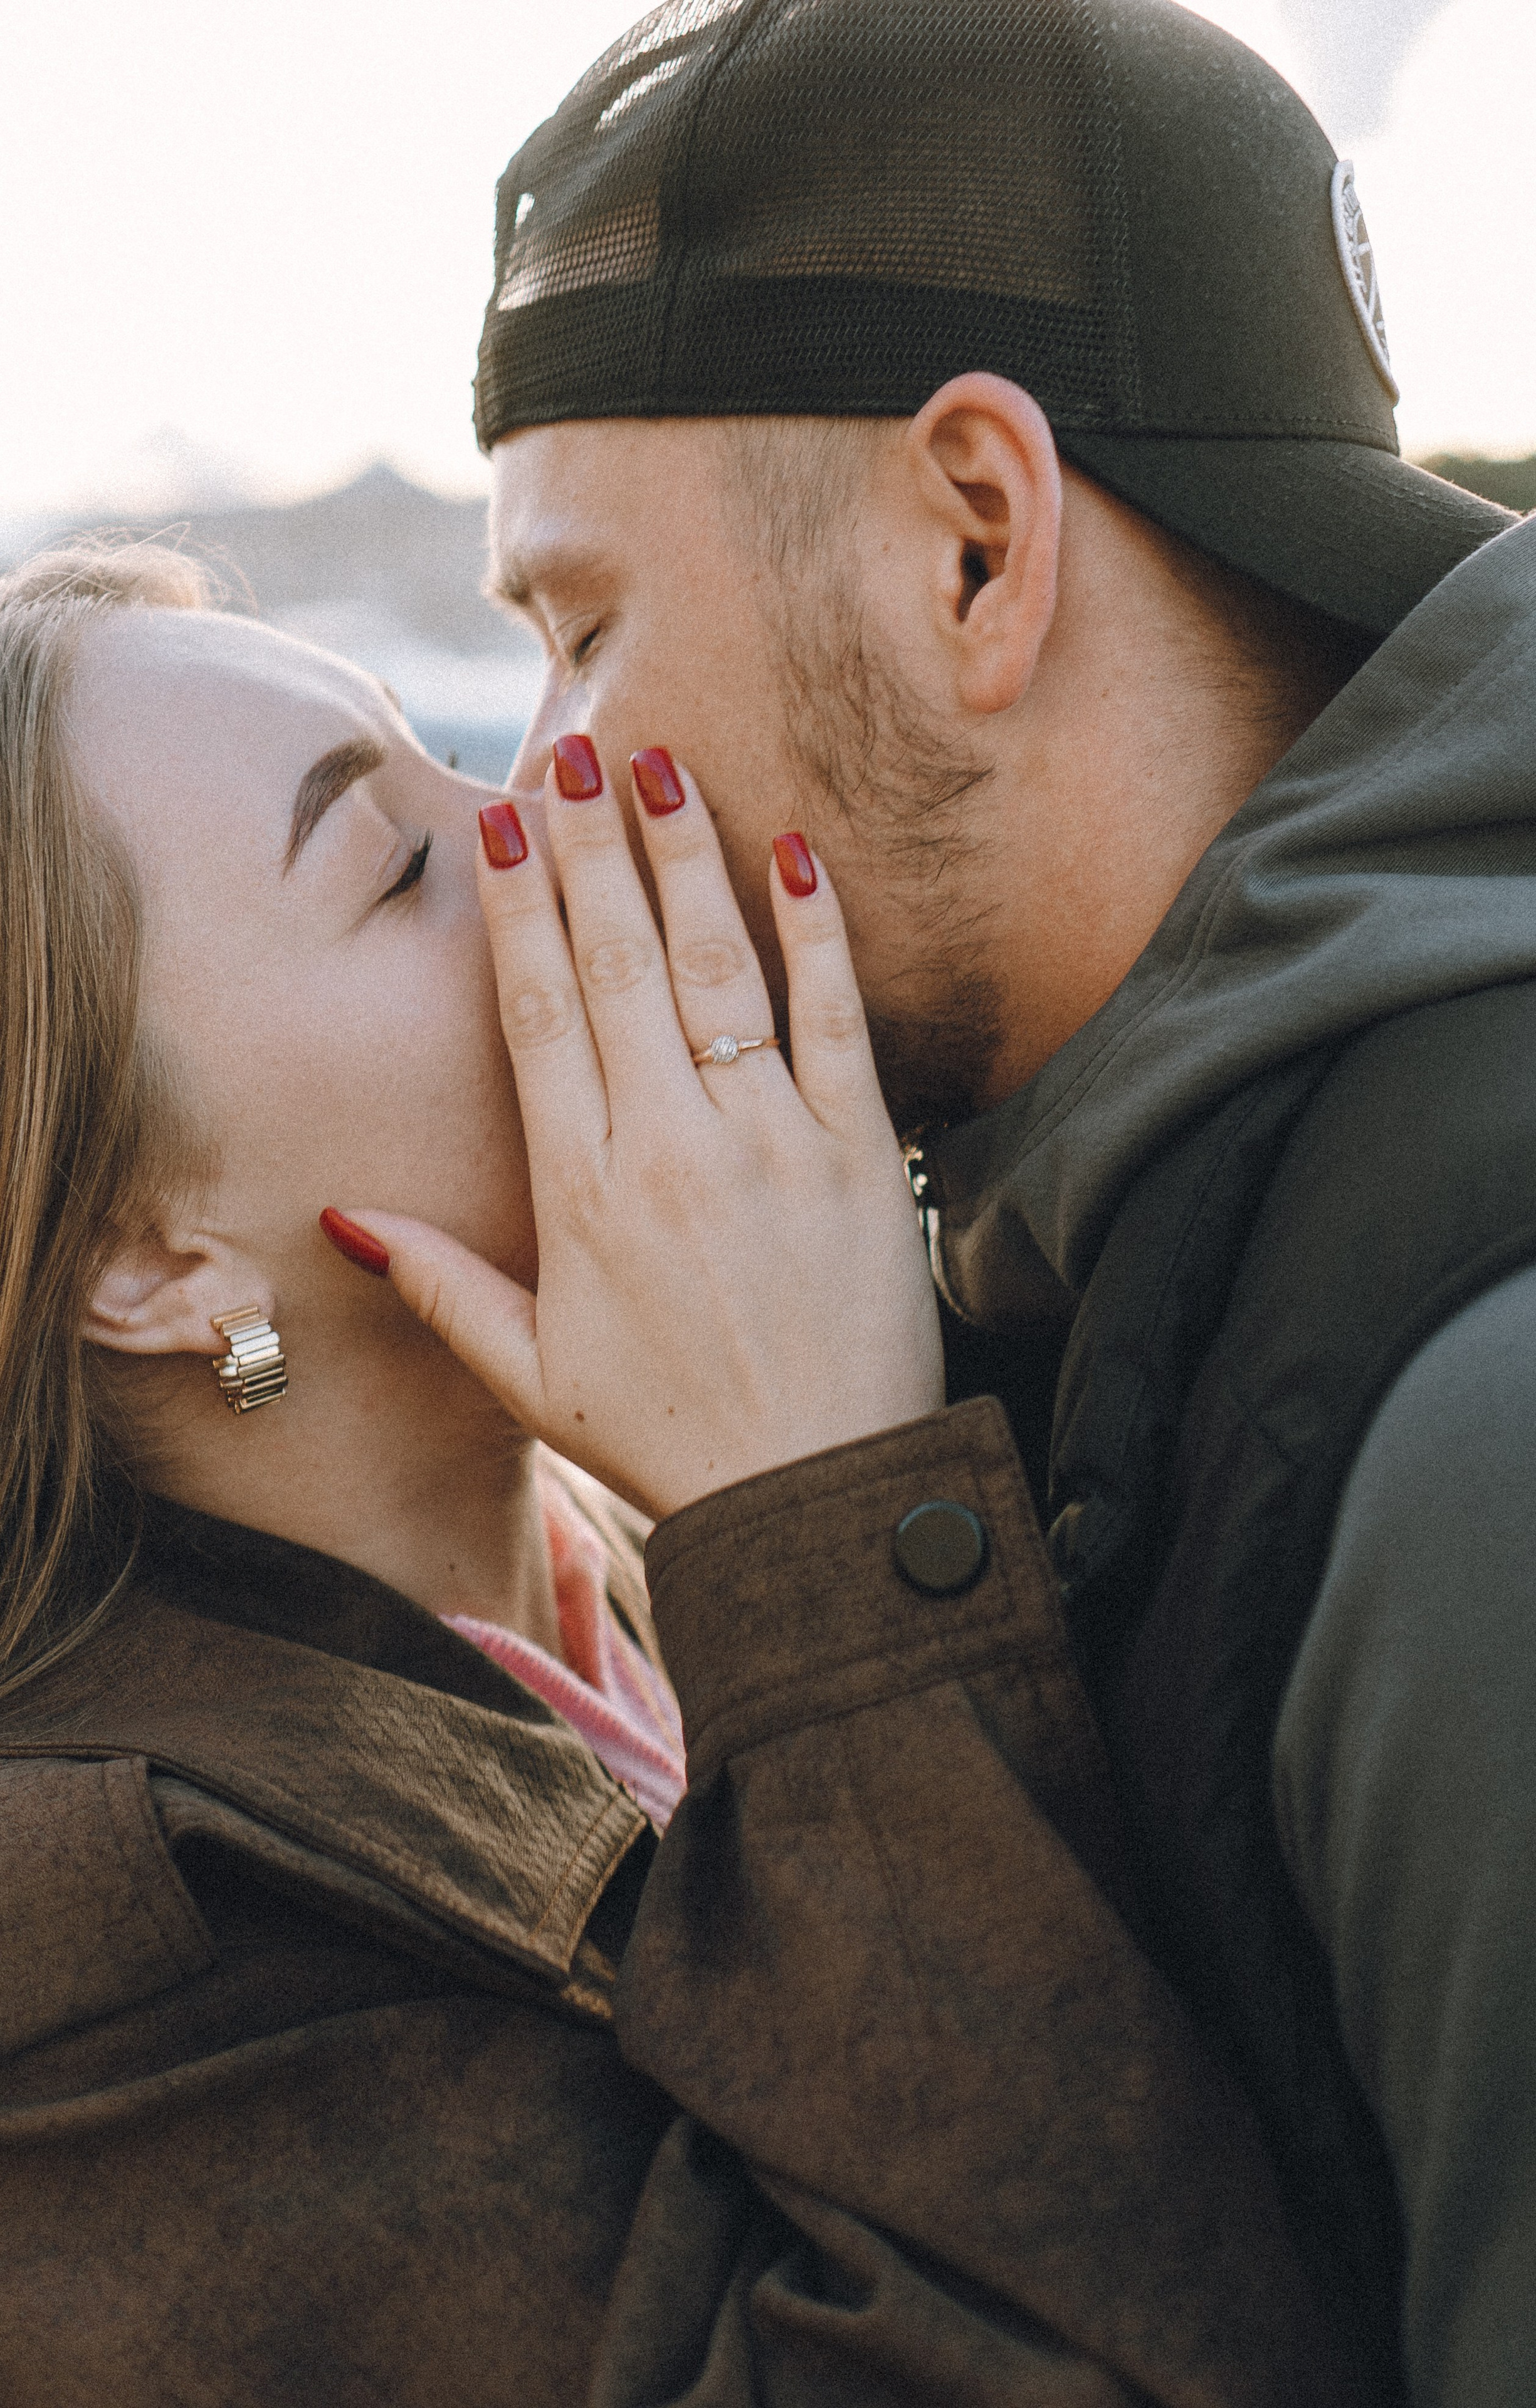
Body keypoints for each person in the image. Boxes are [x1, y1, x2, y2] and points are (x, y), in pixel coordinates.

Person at [401, 3, 1535, 2402]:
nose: (542, 789)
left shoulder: (1478, 1430)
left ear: (976, 544)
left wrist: (823, 1540)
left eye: (579, 627)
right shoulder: (1119, 1233)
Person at [0, 543, 1358, 2403]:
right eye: (396, 865)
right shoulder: (65, 1974)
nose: (527, 802)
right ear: (149, 1256)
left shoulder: (640, 1531)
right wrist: (828, 1519)